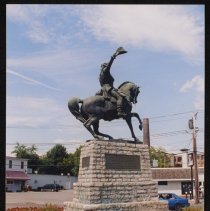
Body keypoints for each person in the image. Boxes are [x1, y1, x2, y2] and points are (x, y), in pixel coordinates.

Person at [96, 47, 127, 117]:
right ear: (105, 67)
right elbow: (109, 64)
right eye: (106, 66)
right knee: (120, 97)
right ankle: (119, 111)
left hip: (102, 90)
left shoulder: (100, 75)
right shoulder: (105, 71)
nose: (107, 67)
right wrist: (113, 57)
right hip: (108, 88)